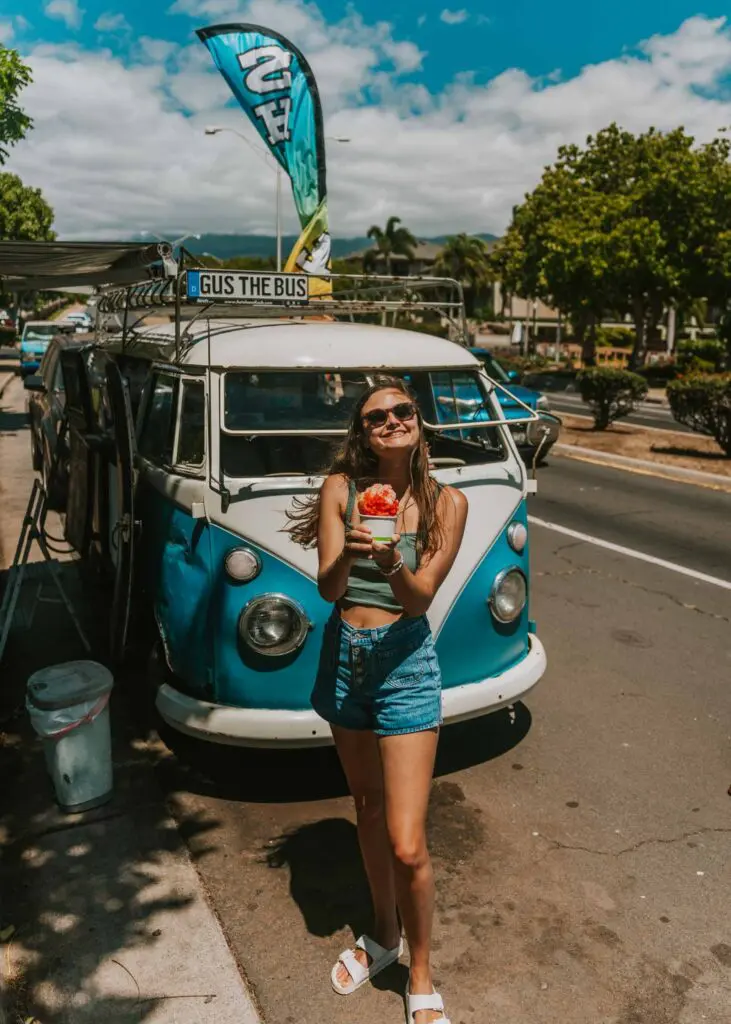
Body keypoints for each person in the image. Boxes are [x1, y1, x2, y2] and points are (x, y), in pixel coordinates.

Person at [287, 376, 468, 1024]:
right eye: (375, 417)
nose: (391, 420)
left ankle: (421, 974)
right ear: (361, 434)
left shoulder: (449, 503)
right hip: (344, 661)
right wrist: (354, 546)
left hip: (405, 666)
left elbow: (418, 598)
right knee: (364, 806)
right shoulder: (341, 490)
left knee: (407, 843)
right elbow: (331, 590)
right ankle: (385, 937)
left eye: (402, 410)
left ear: (417, 422)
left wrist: (392, 562)